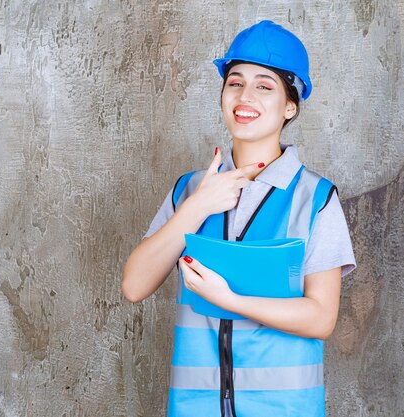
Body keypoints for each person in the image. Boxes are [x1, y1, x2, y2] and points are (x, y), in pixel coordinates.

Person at [122, 20, 356, 417]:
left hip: (284, 409)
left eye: (265, 85)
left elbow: (321, 318)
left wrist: (230, 301)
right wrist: (197, 206)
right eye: (235, 82)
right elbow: (134, 285)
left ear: (290, 105)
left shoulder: (314, 199)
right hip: (194, 408)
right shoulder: (189, 189)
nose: (245, 95)